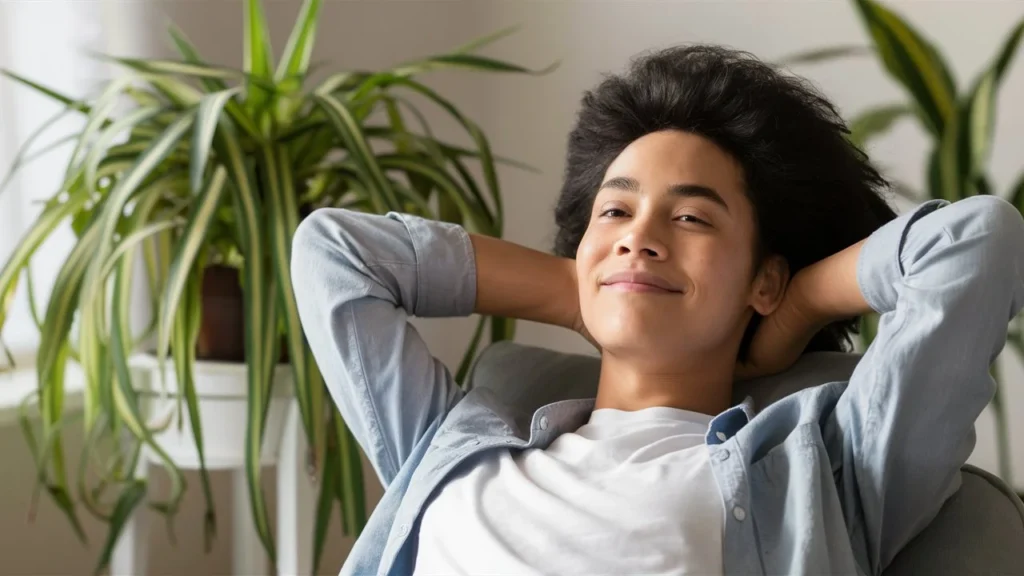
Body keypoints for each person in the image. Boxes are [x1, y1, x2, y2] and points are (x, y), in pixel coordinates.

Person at [292, 44, 1024, 576]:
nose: (638, 237)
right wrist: (578, 287)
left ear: (760, 281)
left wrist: (794, 303)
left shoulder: (824, 471)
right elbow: (334, 253)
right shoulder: (446, 441)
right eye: (614, 211)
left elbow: (975, 244)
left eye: (692, 219)